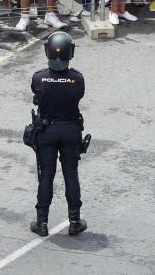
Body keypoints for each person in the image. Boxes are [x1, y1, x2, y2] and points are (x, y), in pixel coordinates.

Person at [29, 31, 88, 238]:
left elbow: (37, 94)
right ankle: (74, 221)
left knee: (46, 175)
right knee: (71, 174)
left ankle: (42, 222)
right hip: (71, 130)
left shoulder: (39, 78)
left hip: (47, 131)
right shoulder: (77, 79)